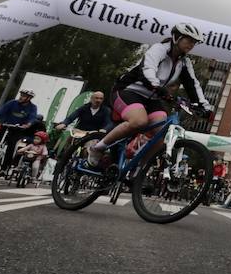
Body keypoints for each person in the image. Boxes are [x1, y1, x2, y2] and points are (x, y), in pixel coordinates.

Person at [86, 23, 210, 168]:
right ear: (177, 37)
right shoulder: (159, 49)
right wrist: (156, 85)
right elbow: (147, 69)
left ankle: (138, 172)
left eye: (194, 42)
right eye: (189, 40)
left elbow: (193, 85)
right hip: (128, 90)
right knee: (139, 121)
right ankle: (97, 148)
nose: (192, 44)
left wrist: (204, 106)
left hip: (152, 97)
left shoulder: (184, 62)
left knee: (161, 133)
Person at [0, 90, 41, 172]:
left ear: (29, 98)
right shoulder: (12, 103)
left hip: (17, 129)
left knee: (11, 147)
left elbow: (32, 118)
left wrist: (28, 124)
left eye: (24, 96)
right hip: (5, 126)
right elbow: (0, 112)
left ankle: (4, 168)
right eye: (21, 95)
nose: (21, 97)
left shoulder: (32, 107)